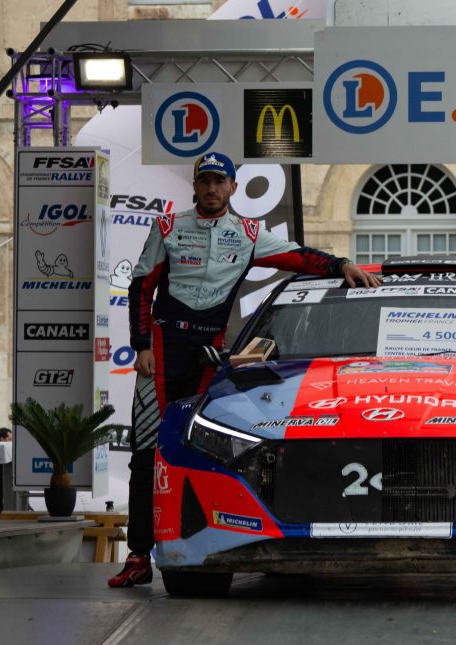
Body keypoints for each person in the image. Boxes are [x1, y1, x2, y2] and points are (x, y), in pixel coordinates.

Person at [108, 152, 382, 588]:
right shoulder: (168, 226)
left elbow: (299, 258)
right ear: (195, 187)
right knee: (147, 455)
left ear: (234, 188)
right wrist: (140, 345)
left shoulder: (250, 234)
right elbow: (142, 285)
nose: (212, 189)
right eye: (205, 182)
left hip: (206, 354)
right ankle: (139, 555)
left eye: (220, 182)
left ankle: (204, 543)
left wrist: (340, 265)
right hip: (162, 349)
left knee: (199, 450)